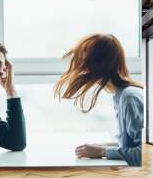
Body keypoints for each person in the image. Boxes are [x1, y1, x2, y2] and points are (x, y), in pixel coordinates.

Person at [54, 34, 143, 166]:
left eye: (85, 60)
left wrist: (103, 152)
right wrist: (102, 147)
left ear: (98, 63)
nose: (81, 67)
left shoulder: (129, 97)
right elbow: (128, 144)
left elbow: (143, 155)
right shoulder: (120, 95)